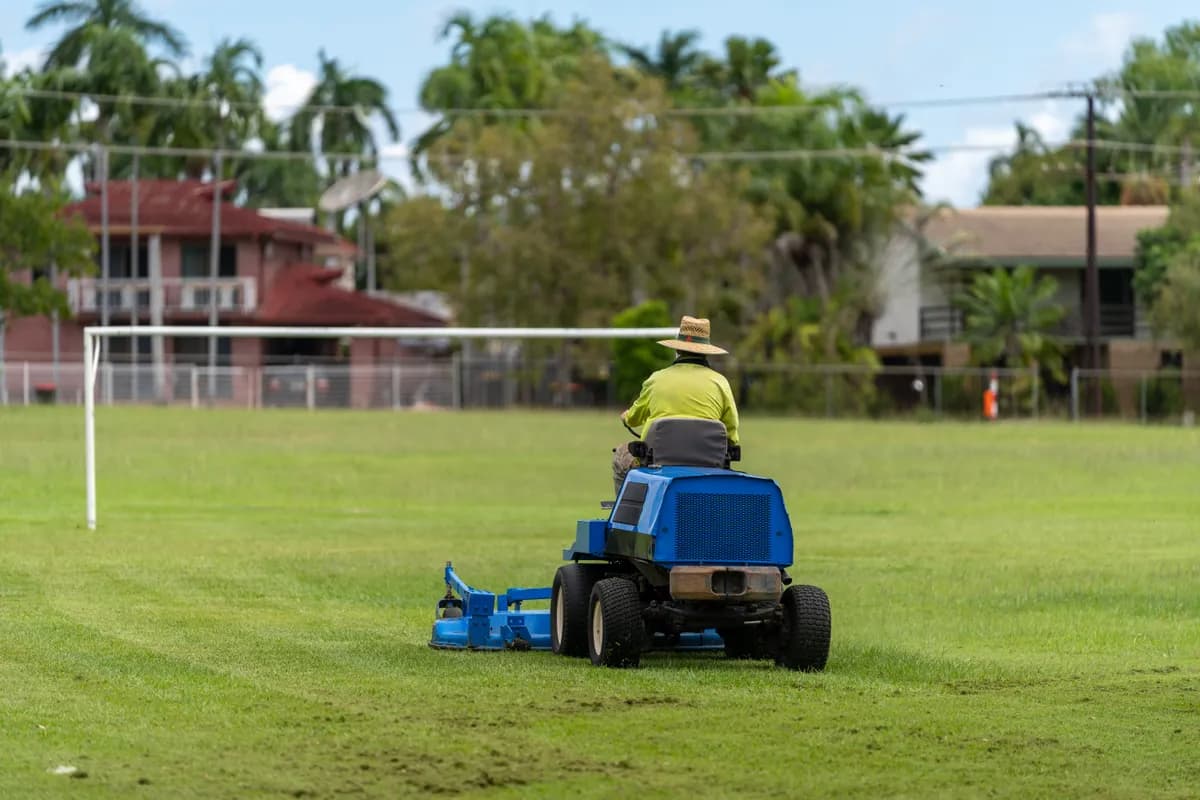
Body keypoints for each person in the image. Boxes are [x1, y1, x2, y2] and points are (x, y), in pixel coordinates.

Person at [612, 315, 740, 495]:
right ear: (706, 351)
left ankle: (625, 516)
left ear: (678, 350)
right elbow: (732, 433)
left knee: (621, 456)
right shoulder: (720, 383)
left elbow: (633, 419)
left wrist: (626, 416)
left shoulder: (656, 379)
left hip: (657, 461)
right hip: (710, 463)